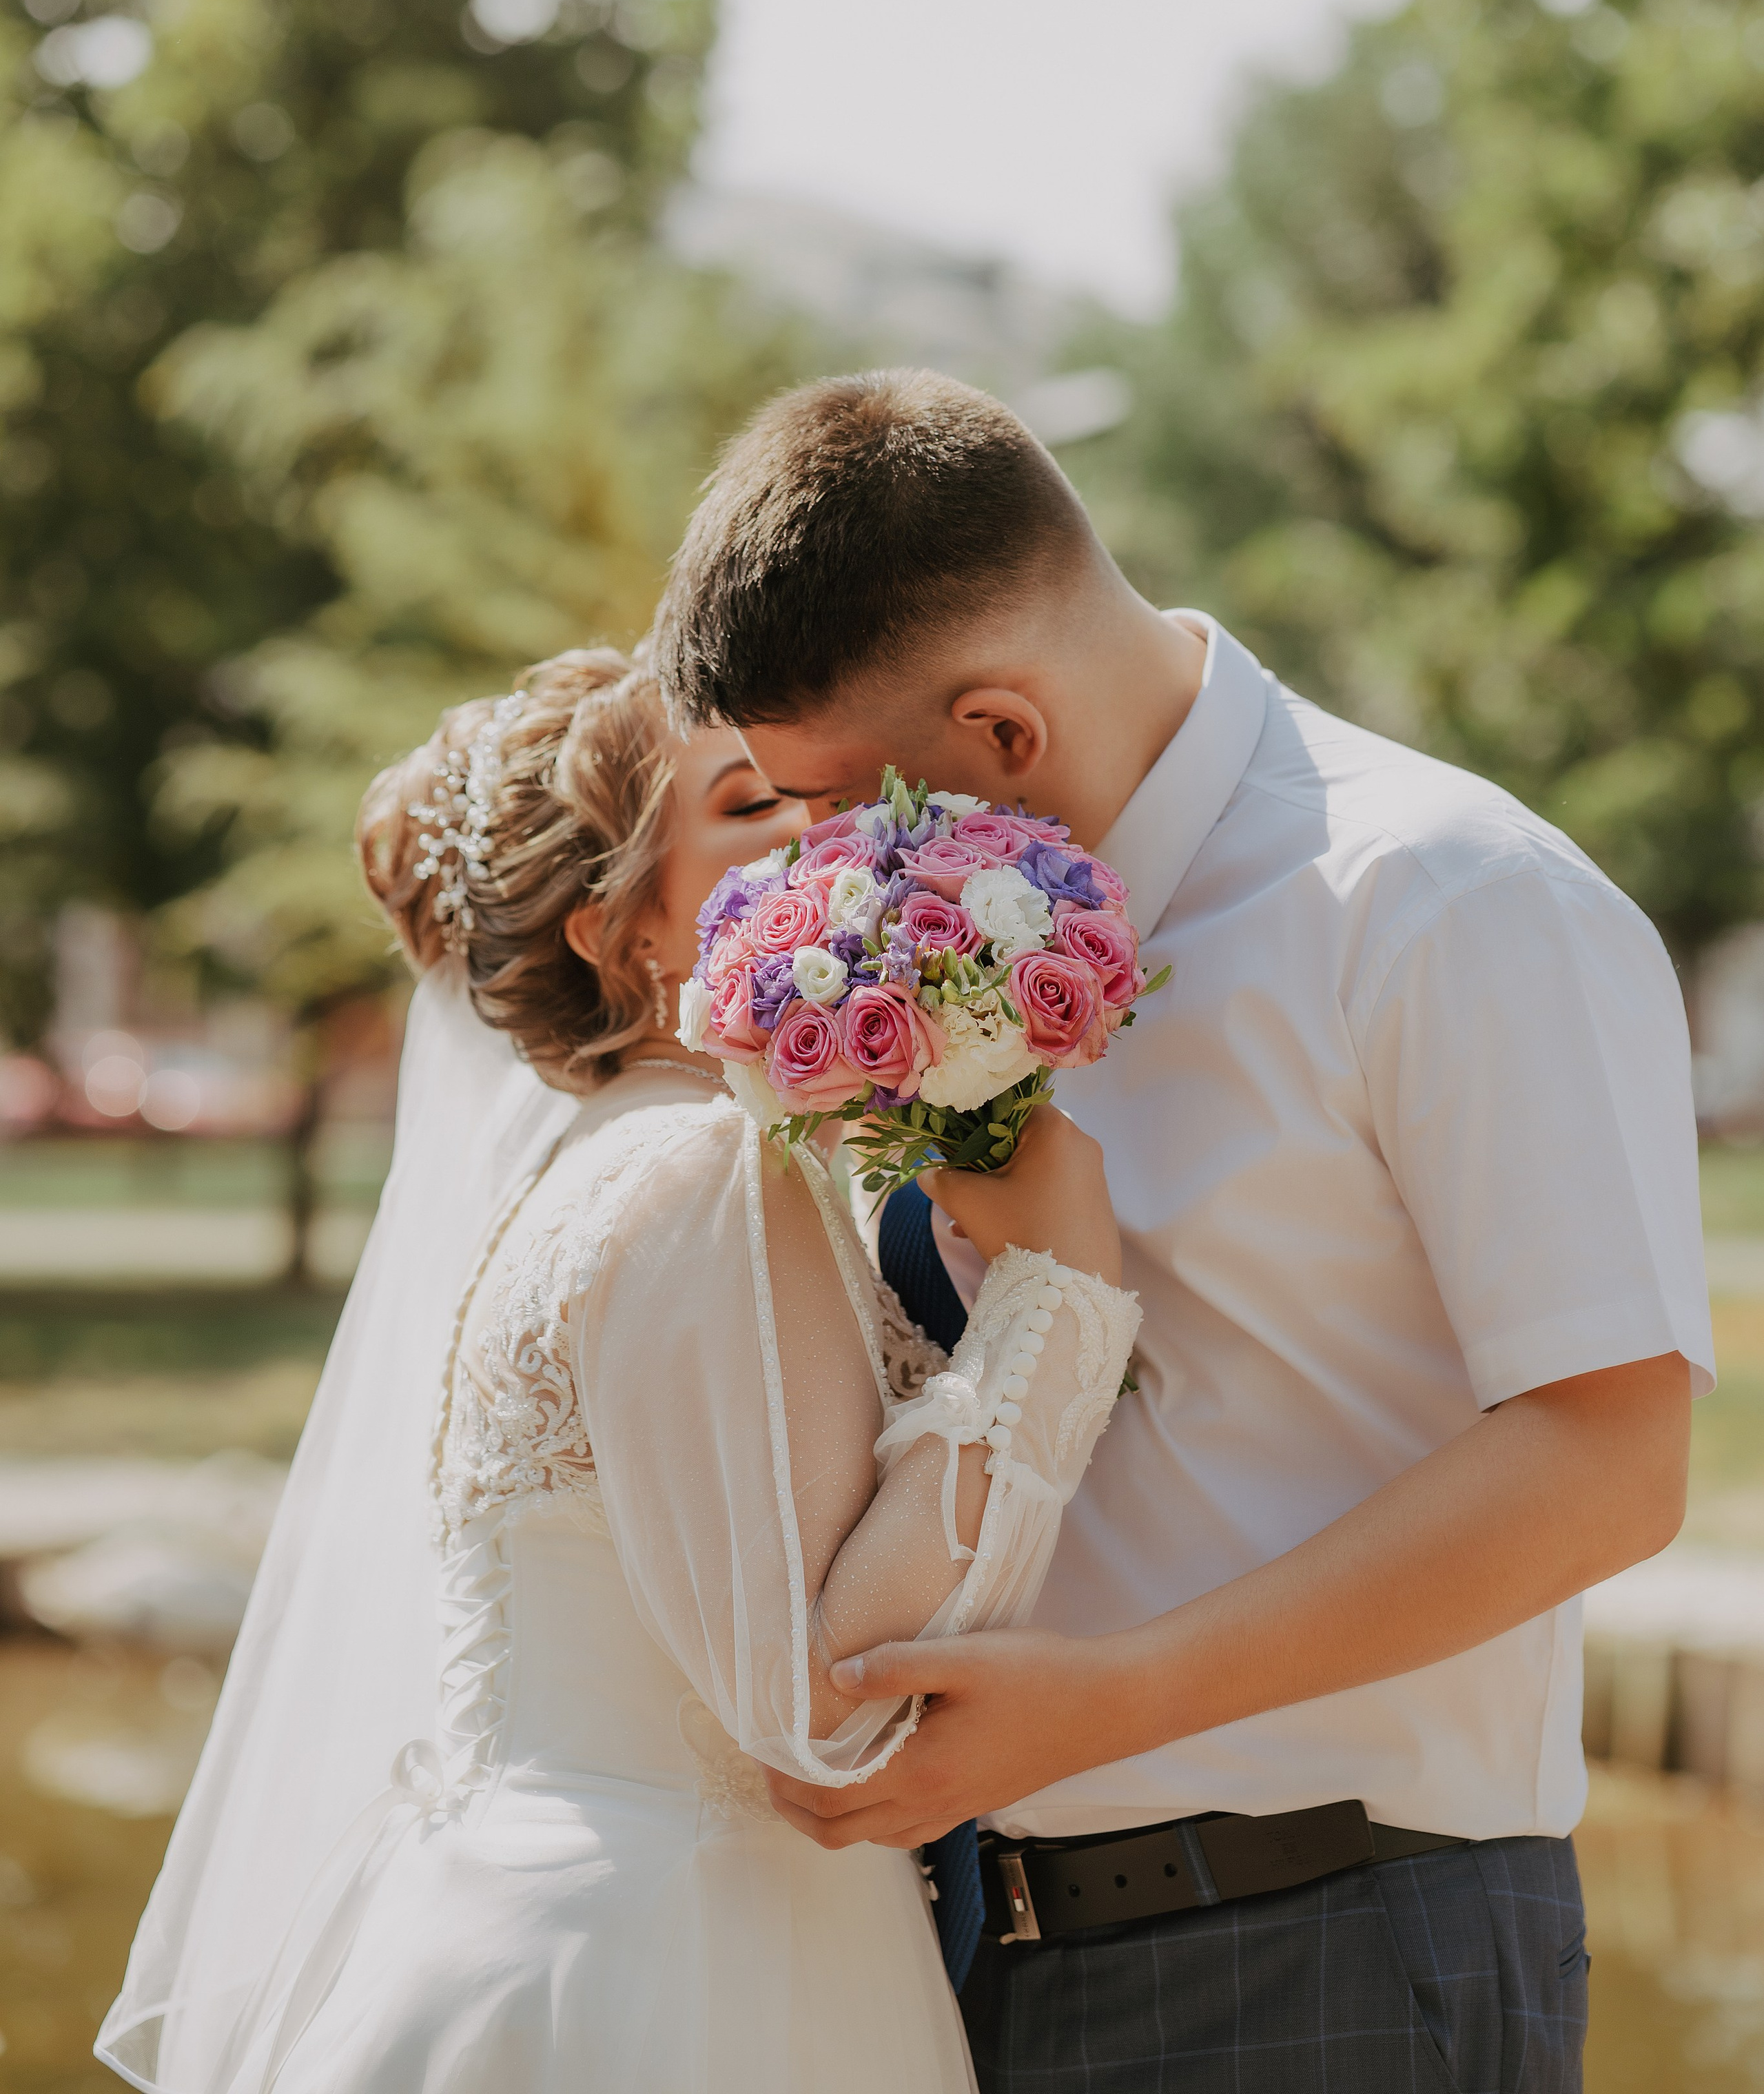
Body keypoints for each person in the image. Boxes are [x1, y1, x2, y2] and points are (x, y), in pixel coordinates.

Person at [650, 370, 1714, 2094]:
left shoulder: (1439, 898)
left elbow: (1610, 1460)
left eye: (841, 804)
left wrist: (1119, 1696)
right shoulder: (907, 983)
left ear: (999, 734)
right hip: (946, 1965)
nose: (823, 864)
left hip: (1329, 1947)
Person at [98, 646, 1141, 2094]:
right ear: (621, 934)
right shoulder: (693, 1173)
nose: (811, 833)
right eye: (743, 807)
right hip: (682, 1968)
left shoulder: (614, 1163)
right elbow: (825, 1702)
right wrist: (1062, 1299)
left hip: (567, 1914)